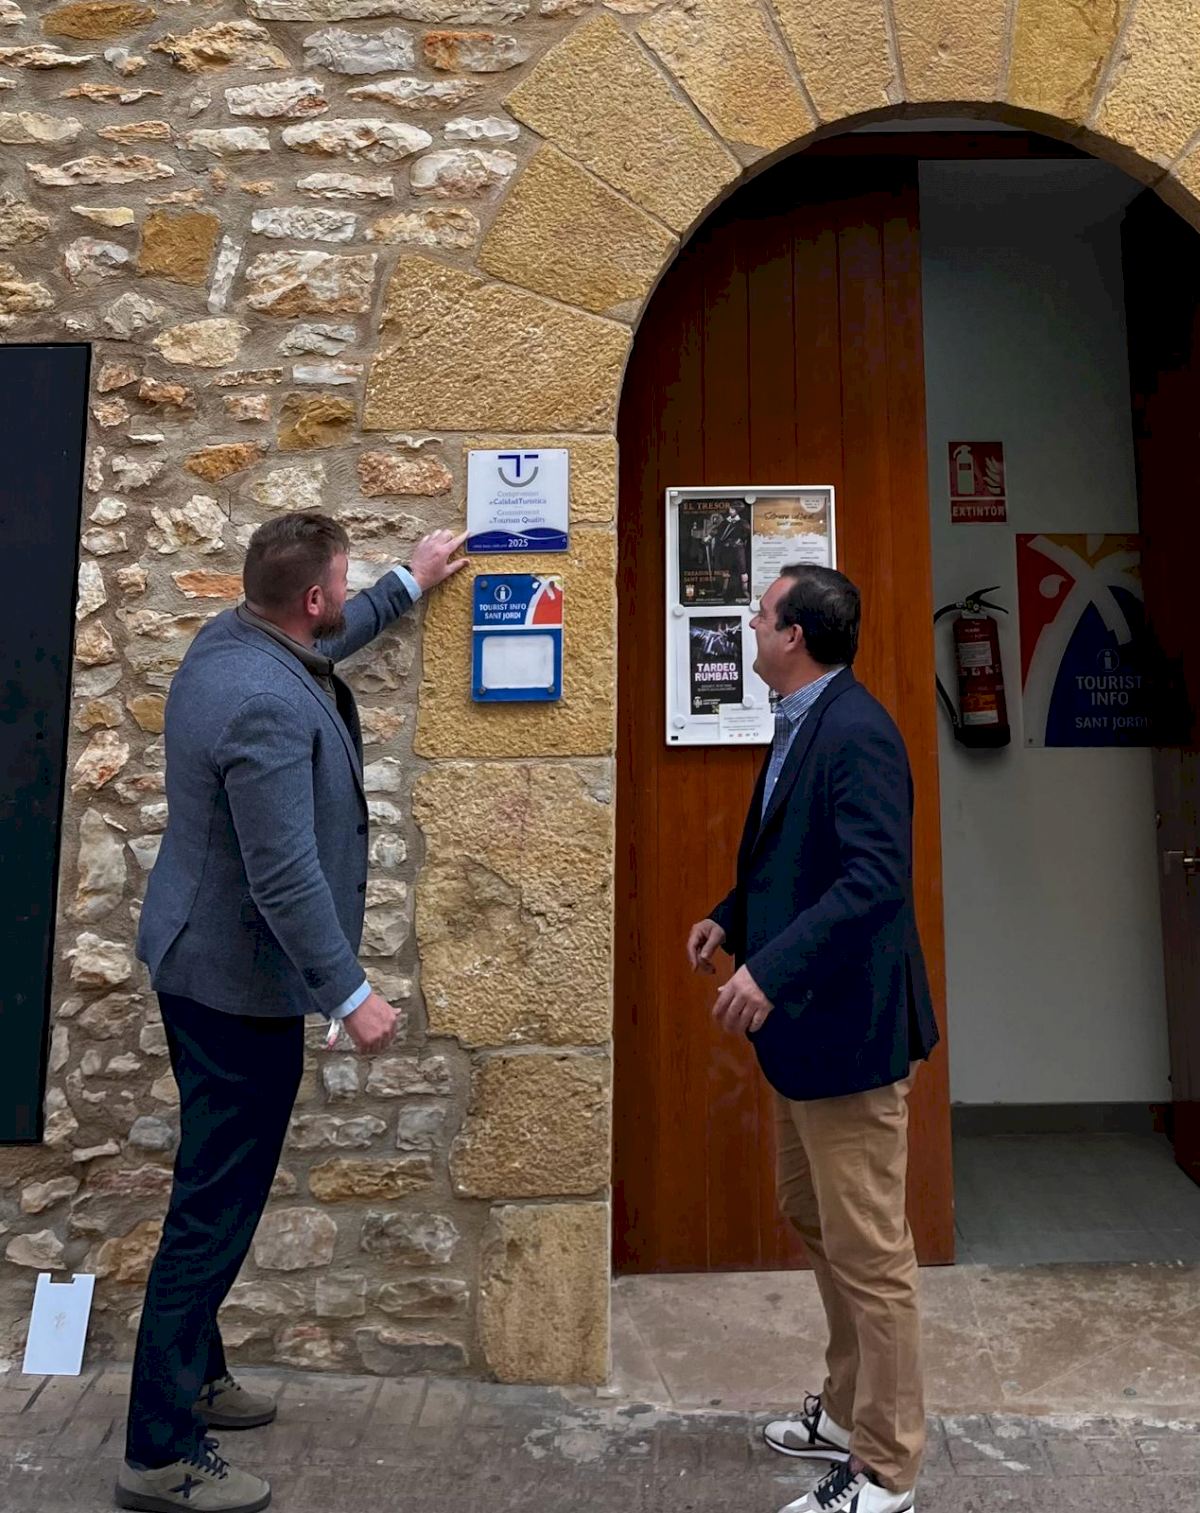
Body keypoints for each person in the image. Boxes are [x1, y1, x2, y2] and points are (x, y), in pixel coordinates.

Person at [116, 514, 465, 1513]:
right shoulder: (263, 703)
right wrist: (350, 993)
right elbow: (282, 871)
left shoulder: (233, 641)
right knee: (213, 1211)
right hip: (234, 990)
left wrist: (407, 582)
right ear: (312, 597)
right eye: (344, 584)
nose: (345, 598)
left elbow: (320, 651)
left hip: (199, 966)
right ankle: (158, 1452)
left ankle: (198, 1374)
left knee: (212, 1186)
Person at [686, 565, 939, 1513]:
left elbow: (874, 879)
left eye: (761, 613)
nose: (751, 623)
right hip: (807, 1034)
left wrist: (771, 971)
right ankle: (844, 1407)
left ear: (793, 635)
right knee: (812, 1212)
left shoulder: (859, 731)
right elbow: (793, 863)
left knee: (871, 1253)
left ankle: (886, 1466)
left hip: (849, 1033)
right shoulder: (803, 719)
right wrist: (731, 918)